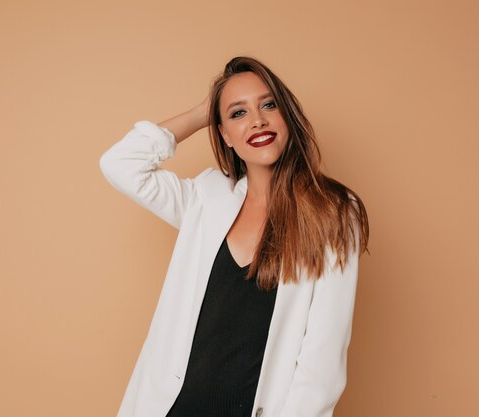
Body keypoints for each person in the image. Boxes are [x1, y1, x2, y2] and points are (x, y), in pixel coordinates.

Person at [99, 56, 369, 417]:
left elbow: (322, 364)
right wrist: (202, 112)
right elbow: (120, 164)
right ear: (223, 133)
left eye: (269, 105)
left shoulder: (332, 212)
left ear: (287, 115)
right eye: (237, 113)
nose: (257, 120)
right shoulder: (206, 199)